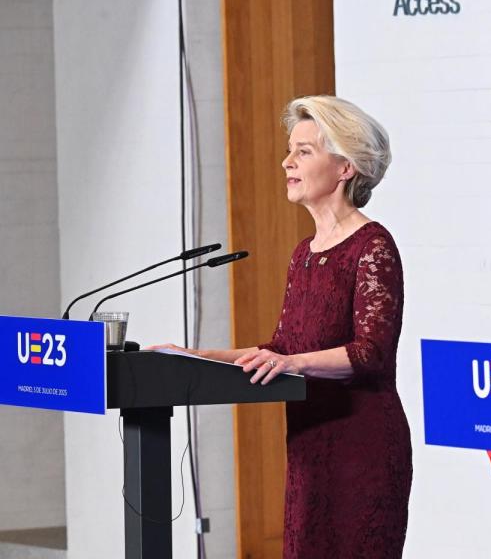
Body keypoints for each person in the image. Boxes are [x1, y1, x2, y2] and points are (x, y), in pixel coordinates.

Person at [152, 96, 412, 558]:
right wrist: (194, 357)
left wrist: (291, 362)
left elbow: (370, 354)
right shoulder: (304, 254)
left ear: (345, 167)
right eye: (290, 150)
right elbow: (281, 347)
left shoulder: (373, 246)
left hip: (363, 446)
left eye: (304, 151)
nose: (286, 161)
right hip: (310, 446)